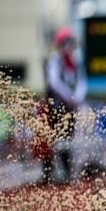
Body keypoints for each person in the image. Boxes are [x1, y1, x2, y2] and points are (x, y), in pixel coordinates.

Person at [42, 26, 87, 182]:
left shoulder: (76, 60)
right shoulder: (55, 59)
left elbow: (82, 82)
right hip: (55, 107)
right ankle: (47, 173)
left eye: (71, 43)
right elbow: (54, 81)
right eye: (65, 43)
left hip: (69, 108)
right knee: (49, 139)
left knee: (67, 139)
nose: (68, 46)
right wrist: (68, 96)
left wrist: (77, 98)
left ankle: (67, 172)